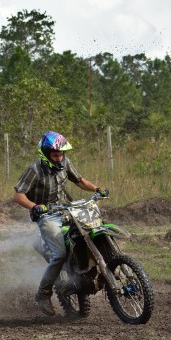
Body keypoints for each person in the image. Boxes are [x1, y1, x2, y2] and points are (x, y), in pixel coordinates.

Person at [12, 131, 108, 315]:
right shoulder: (35, 169)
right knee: (59, 254)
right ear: (46, 154)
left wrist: (97, 189)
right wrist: (35, 206)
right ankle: (43, 293)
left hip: (67, 209)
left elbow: (79, 181)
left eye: (61, 154)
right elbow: (18, 195)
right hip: (47, 215)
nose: (59, 158)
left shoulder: (65, 163)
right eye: (56, 155)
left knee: (92, 231)